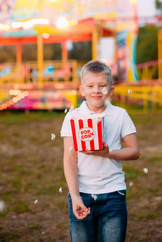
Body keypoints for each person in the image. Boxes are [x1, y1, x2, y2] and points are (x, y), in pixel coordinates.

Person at [61, 60, 140, 242]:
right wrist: (75, 196)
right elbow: (69, 158)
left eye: (102, 85)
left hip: (114, 193)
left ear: (111, 90)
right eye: (90, 86)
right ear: (82, 90)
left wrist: (108, 153)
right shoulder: (73, 117)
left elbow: (134, 151)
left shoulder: (120, 115)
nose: (96, 90)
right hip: (82, 193)